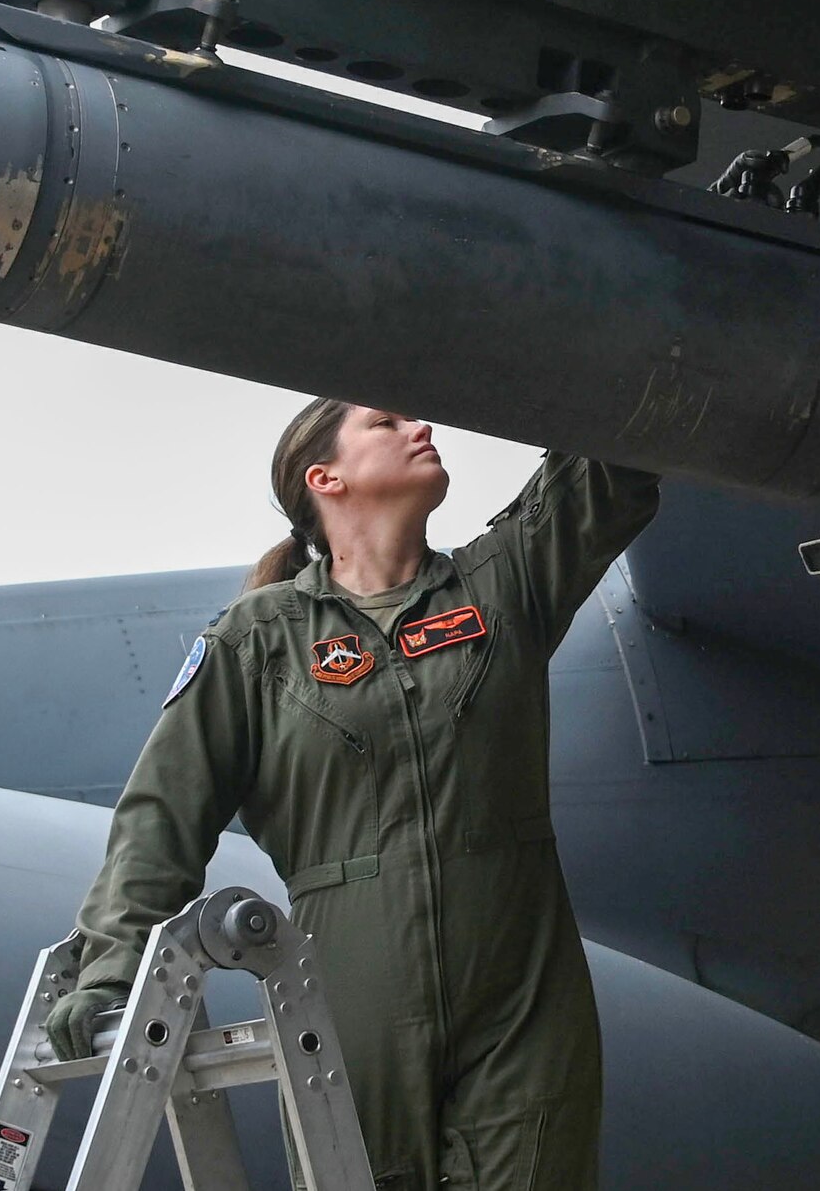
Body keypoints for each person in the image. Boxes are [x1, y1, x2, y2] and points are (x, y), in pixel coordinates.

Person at [46, 398, 660, 1189]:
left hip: (525, 1000)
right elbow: (161, 818)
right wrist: (111, 964)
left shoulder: (504, 581)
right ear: (324, 476)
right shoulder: (255, 641)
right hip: (351, 999)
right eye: (387, 422)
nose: (421, 427)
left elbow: (612, 458)